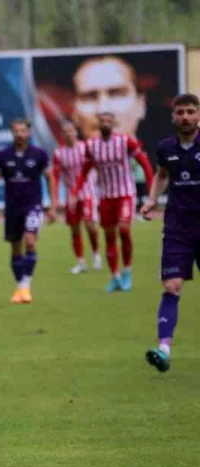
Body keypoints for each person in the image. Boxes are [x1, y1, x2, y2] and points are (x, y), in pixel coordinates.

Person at [141, 93, 200, 373]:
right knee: (171, 286)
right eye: (181, 112)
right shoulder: (165, 147)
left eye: (191, 111)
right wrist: (153, 198)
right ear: (173, 116)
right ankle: (163, 349)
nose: (186, 117)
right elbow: (163, 174)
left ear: (198, 114)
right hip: (177, 227)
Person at [74, 111, 155, 292]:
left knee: (124, 230)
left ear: (113, 123)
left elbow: (144, 163)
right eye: (102, 121)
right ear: (98, 124)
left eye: (108, 121)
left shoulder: (125, 142)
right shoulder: (92, 145)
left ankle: (127, 271)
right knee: (109, 236)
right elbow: (85, 171)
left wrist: (151, 190)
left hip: (125, 194)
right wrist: (74, 193)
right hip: (105, 197)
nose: (105, 123)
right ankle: (115, 276)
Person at [0, 119, 57, 304]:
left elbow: (50, 178)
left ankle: (26, 286)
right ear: (12, 133)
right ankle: (20, 288)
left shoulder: (39, 154)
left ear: (29, 133)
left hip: (33, 206)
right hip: (12, 207)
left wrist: (54, 205)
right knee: (15, 247)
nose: (19, 134)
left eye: (23, 131)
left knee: (30, 241)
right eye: (16, 131)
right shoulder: (3, 155)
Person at [51, 121, 103, 274]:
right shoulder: (58, 153)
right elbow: (55, 177)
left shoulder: (85, 148)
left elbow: (96, 166)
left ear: (76, 132)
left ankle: (96, 256)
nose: (69, 134)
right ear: (62, 134)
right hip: (70, 197)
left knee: (90, 224)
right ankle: (80, 262)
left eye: (71, 130)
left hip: (88, 193)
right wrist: (57, 200)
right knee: (74, 229)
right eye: (65, 131)